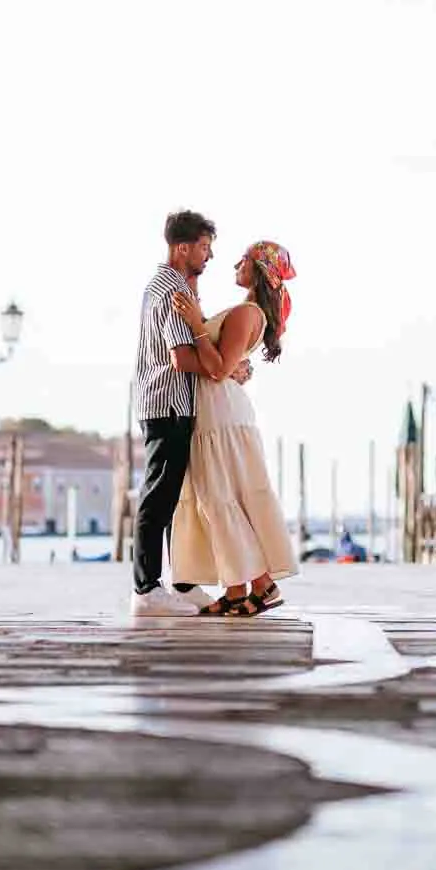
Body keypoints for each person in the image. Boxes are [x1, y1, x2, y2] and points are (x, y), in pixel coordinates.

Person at [128, 210, 253, 617]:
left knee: (176, 498)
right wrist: (226, 368)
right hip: (167, 404)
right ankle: (145, 589)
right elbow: (182, 358)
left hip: (172, 404)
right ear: (182, 247)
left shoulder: (176, 286)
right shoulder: (171, 291)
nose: (210, 256)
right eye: (204, 247)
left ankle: (180, 583)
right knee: (159, 496)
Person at [168, 240, 299, 617]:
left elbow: (220, 368)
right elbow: (226, 363)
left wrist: (194, 324)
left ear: (258, 268)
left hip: (220, 414)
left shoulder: (246, 312)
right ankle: (237, 588)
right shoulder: (246, 312)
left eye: (243, 260)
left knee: (218, 499)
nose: (235, 265)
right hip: (218, 410)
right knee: (221, 499)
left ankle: (261, 583)